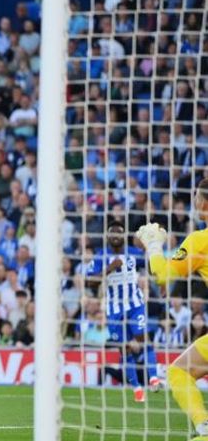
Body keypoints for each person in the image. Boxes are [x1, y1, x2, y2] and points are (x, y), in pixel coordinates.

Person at [136, 178, 208, 437]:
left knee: (178, 373)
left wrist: (154, 245)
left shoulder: (200, 240)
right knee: (179, 370)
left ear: (202, 204)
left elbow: (165, 276)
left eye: (196, 199)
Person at [92, 221, 159, 403]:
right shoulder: (100, 256)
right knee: (125, 349)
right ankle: (137, 388)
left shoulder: (134, 252)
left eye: (119, 233)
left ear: (123, 235)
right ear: (107, 236)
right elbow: (90, 281)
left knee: (142, 338)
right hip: (114, 310)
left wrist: (151, 247)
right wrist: (109, 268)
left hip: (135, 303)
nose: (115, 236)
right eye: (112, 233)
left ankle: (154, 377)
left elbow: (151, 266)